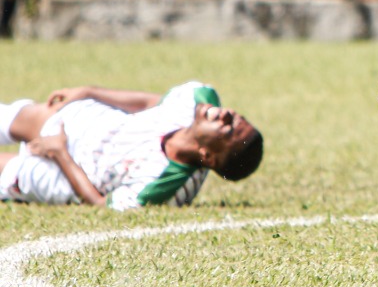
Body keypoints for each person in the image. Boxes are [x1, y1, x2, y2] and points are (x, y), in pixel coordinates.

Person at [0, 81, 262, 209]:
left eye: (228, 128)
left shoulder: (164, 187)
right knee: (20, 116)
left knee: (7, 169)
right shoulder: (198, 97)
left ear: (207, 155)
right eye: (236, 116)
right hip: (91, 124)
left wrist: (59, 152)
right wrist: (90, 92)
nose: (226, 113)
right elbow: (151, 103)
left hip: (69, 175)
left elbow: (101, 203)